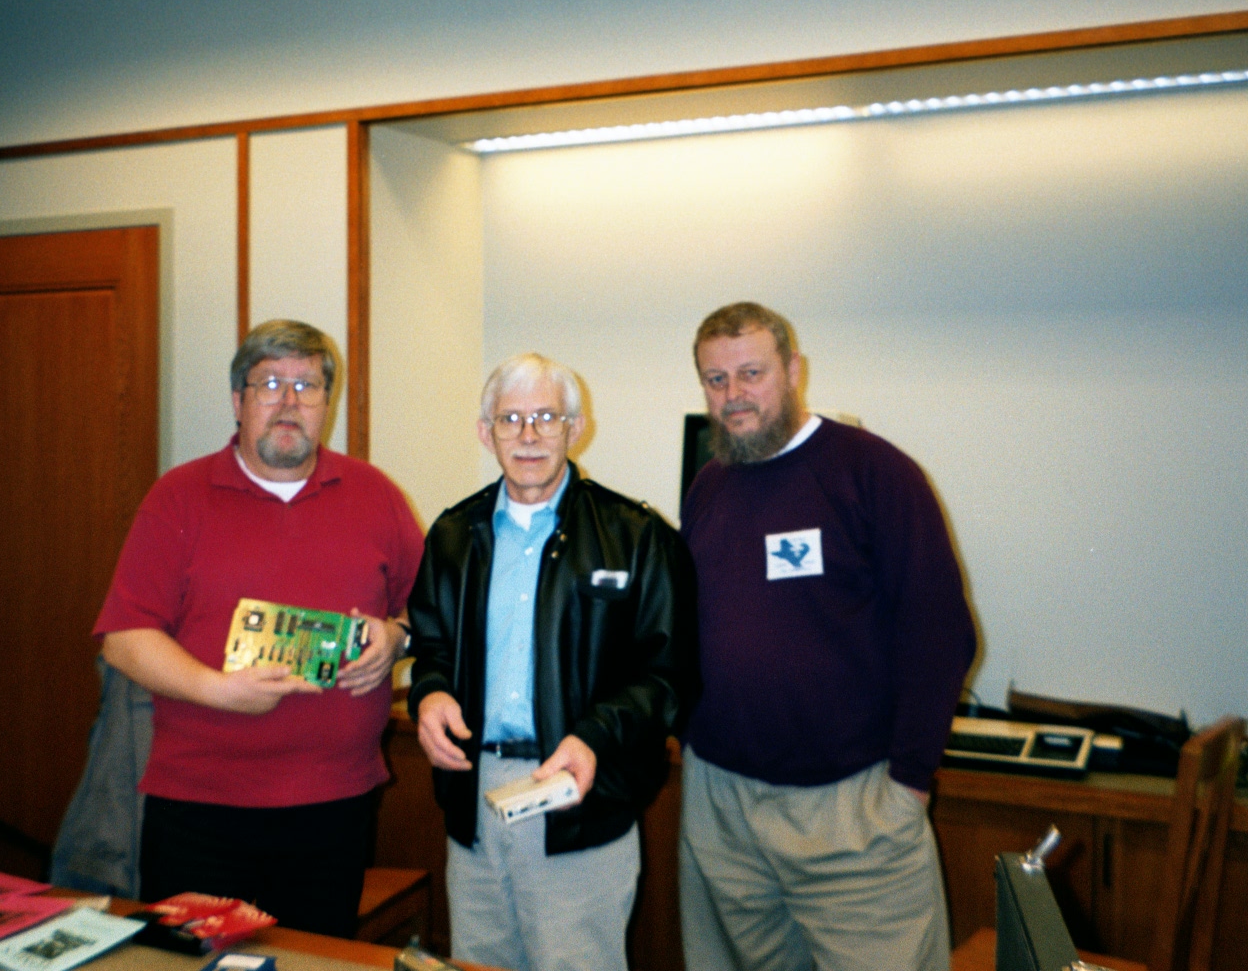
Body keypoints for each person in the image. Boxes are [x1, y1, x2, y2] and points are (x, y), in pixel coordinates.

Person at [94, 319, 424, 938]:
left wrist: (395, 637)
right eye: (270, 383)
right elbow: (124, 637)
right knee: (195, 963)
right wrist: (220, 690)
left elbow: (427, 611)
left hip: (335, 806)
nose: (289, 401)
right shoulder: (178, 497)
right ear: (238, 400)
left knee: (313, 963)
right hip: (200, 809)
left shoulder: (376, 495)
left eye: (307, 385)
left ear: (327, 403)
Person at [678, 302, 977, 971]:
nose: (733, 395)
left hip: (851, 814)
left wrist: (909, 783)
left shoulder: (872, 473)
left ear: (793, 369)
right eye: (716, 380)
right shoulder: (709, 487)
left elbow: (941, 633)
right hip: (723, 809)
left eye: (751, 373)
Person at [407, 353, 697, 971]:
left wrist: (595, 736)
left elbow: (669, 676)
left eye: (546, 417)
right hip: (475, 794)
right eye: (510, 419)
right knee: (479, 964)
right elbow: (432, 646)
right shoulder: (453, 535)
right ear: (485, 432)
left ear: (576, 427)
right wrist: (429, 692)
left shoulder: (636, 535)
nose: (529, 435)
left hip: (579, 795)